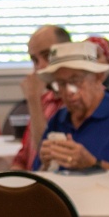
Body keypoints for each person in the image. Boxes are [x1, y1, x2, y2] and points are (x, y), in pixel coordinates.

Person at [32, 41, 109, 171]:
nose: (69, 92)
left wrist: (93, 164)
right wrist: (45, 166)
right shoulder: (58, 119)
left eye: (75, 81)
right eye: (61, 84)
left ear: (98, 77)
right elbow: (38, 177)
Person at [10, 25, 71, 170]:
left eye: (47, 56)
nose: (40, 67)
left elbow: (47, 155)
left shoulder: (74, 102)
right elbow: (22, 159)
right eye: (34, 60)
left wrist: (33, 100)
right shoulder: (45, 100)